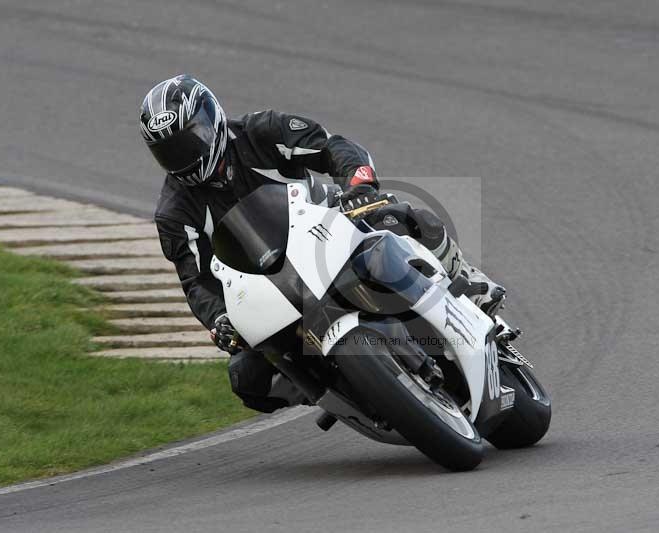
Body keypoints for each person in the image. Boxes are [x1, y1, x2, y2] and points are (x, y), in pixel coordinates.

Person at [140, 74, 504, 412]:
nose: (185, 157)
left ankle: (468, 283)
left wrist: (359, 187)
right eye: (170, 151)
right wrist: (219, 316)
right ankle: (341, 393)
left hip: (327, 230)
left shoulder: (260, 131)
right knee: (247, 376)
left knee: (397, 217)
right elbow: (196, 279)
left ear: (212, 119)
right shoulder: (174, 213)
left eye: (190, 140)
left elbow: (331, 147)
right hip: (270, 286)